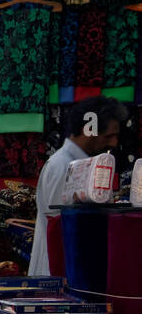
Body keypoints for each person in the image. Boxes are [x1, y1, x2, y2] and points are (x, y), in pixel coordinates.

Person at [29, 96, 125, 276]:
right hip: (59, 276)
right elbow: (59, 231)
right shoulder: (63, 167)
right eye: (109, 136)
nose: (114, 143)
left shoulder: (78, 164)